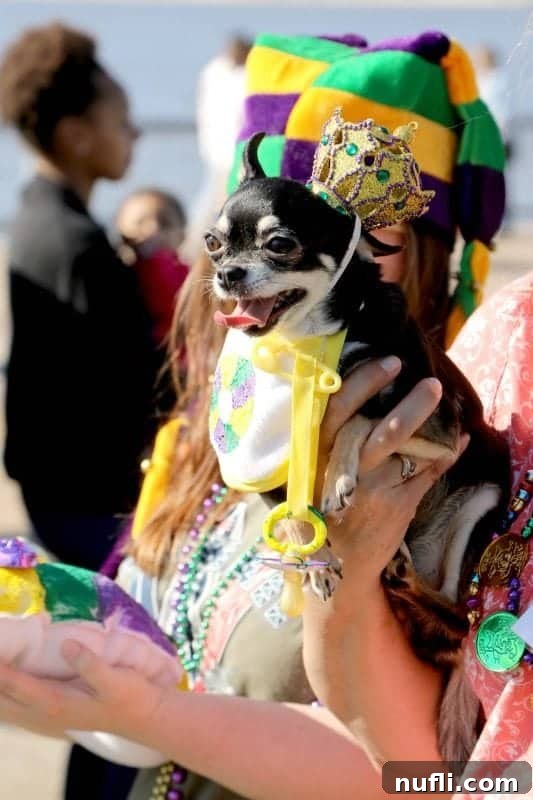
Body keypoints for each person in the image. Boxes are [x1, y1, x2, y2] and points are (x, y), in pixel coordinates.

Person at [0, 30, 512, 800]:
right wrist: (47, 637)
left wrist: (158, 715)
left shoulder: (448, 483)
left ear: (430, 261)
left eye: (367, 234)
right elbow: (131, 663)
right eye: (247, 238)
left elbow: (429, 780)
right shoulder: (201, 445)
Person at [0, 23, 164, 570]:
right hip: (92, 507)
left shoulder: (37, 220)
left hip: (55, 499)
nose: (134, 135)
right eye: (122, 122)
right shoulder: (76, 243)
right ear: (78, 136)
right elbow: (136, 375)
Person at [227, 31, 506, 349]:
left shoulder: (480, 373)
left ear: (426, 247)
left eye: (357, 220)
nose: (326, 253)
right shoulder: (180, 374)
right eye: (281, 241)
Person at [183, 35, 252, 263]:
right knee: (216, 202)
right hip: (225, 153)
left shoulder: (215, 73)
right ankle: (195, 250)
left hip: (223, 152)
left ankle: (193, 248)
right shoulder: (224, 74)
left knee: (212, 201)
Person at [115, 188, 190, 347]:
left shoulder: (189, 278)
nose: (153, 230)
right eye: (140, 222)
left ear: (182, 235)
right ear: (120, 231)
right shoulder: (115, 270)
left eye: (165, 223)